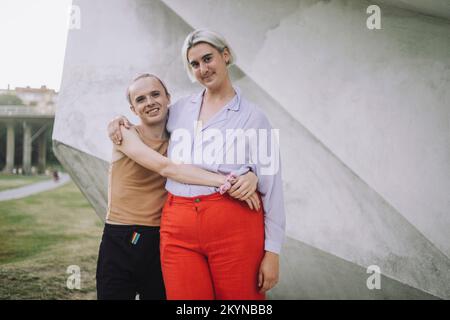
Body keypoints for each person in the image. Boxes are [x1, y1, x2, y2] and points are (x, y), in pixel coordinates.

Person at [109, 29, 285, 300]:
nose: (203, 69)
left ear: (225, 56)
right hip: (177, 225)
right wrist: (119, 121)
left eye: (208, 58)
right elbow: (148, 121)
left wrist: (272, 252)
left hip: (234, 223)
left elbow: (272, 188)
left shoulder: (254, 117)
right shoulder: (178, 110)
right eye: (194, 64)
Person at [98, 73, 260, 300]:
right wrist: (227, 182)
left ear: (168, 98)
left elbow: (220, 157)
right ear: (133, 110)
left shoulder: (180, 140)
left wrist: (250, 174)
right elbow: (167, 169)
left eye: (155, 94)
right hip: (123, 238)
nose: (150, 102)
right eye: (141, 99)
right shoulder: (125, 134)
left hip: (161, 238)